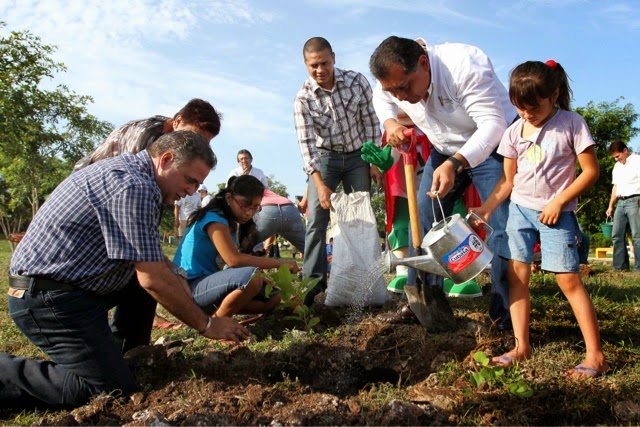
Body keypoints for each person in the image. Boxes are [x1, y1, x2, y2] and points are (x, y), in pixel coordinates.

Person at [0, 131, 250, 409]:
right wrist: (207, 324)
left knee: (146, 280)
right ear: (166, 160)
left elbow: (151, 260)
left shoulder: (141, 179)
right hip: (47, 298)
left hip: (76, 287)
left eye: (197, 184)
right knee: (105, 391)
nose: (192, 191)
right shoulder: (133, 185)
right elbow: (152, 278)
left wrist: (178, 277)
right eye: (190, 180)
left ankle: (126, 356)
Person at [473, 59, 608, 378]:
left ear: (554, 94)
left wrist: (559, 201)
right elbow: (508, 181)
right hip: (519, 212)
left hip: (556, 215)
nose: (526, 115)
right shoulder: (513, 131)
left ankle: (596, 356)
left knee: (568, 280)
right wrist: (486, 208)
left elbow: (591, 171)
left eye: (533, 107)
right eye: (520, 108)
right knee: (516, 277)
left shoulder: (571, 123)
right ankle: (521, 346)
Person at [369, 35, 515, 330]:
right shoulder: (393, 79)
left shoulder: (464, 65)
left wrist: (456, 163)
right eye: (393, 91)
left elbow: (492, 125)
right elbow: (380, 98)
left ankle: (504, 316)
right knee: (422, 216)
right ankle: (421, 302)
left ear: (423, 63)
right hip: (443, 148)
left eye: (405, 87)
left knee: (502, 226)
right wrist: (391, 123)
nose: (400, 97)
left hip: (494, 147)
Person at [294, 36, 383, 304]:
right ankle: (313, 287)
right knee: (316, 221)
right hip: (326, 159)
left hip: (359, 156)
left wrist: (374, 161)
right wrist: (319, 185)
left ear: (333, 57)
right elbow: (307, 146)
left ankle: (365, 282)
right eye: (313, 66)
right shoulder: (303, 98)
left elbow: (371, 123)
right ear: (305, 64)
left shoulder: (357, 82)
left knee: (362, 216)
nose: (319, 70)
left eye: (324, 63)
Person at [173, 176, 299, 319]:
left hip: (208, 284)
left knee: (273, 298)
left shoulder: (231, 222)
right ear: (228, 198)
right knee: (253, 278)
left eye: (255, 208)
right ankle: (216, 324)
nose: (249, 213)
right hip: (188, 288)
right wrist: (280, 263)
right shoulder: (214, 218)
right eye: (244, 205)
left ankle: (212, 315)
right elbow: (234, 260)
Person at [74, 98, 222, 169]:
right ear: (177, 121)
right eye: (194, 137)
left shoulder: (171, 141)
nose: (196, 145)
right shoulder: (146, 134)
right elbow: (131, 183)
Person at [606, 140, 640, 271]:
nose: (616, 159)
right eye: (614, 157)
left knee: (638, 236)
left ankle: (638, 269)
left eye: (617, 156)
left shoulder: (637, 160)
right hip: (621, 203)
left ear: (625, 150)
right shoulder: (617, 167)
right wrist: (611, 206)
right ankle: (620, 267)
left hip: (635, 200)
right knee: (617, 235)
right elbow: (615, 186)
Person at [253, 188, 306, 255]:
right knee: (311, 249)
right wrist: (267, 249)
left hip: (267, 208)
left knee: (246, 247)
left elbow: (272, 226)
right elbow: (273, 231)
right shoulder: (268, 192)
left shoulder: (248, 189)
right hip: (290, 208)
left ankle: (251, 262)